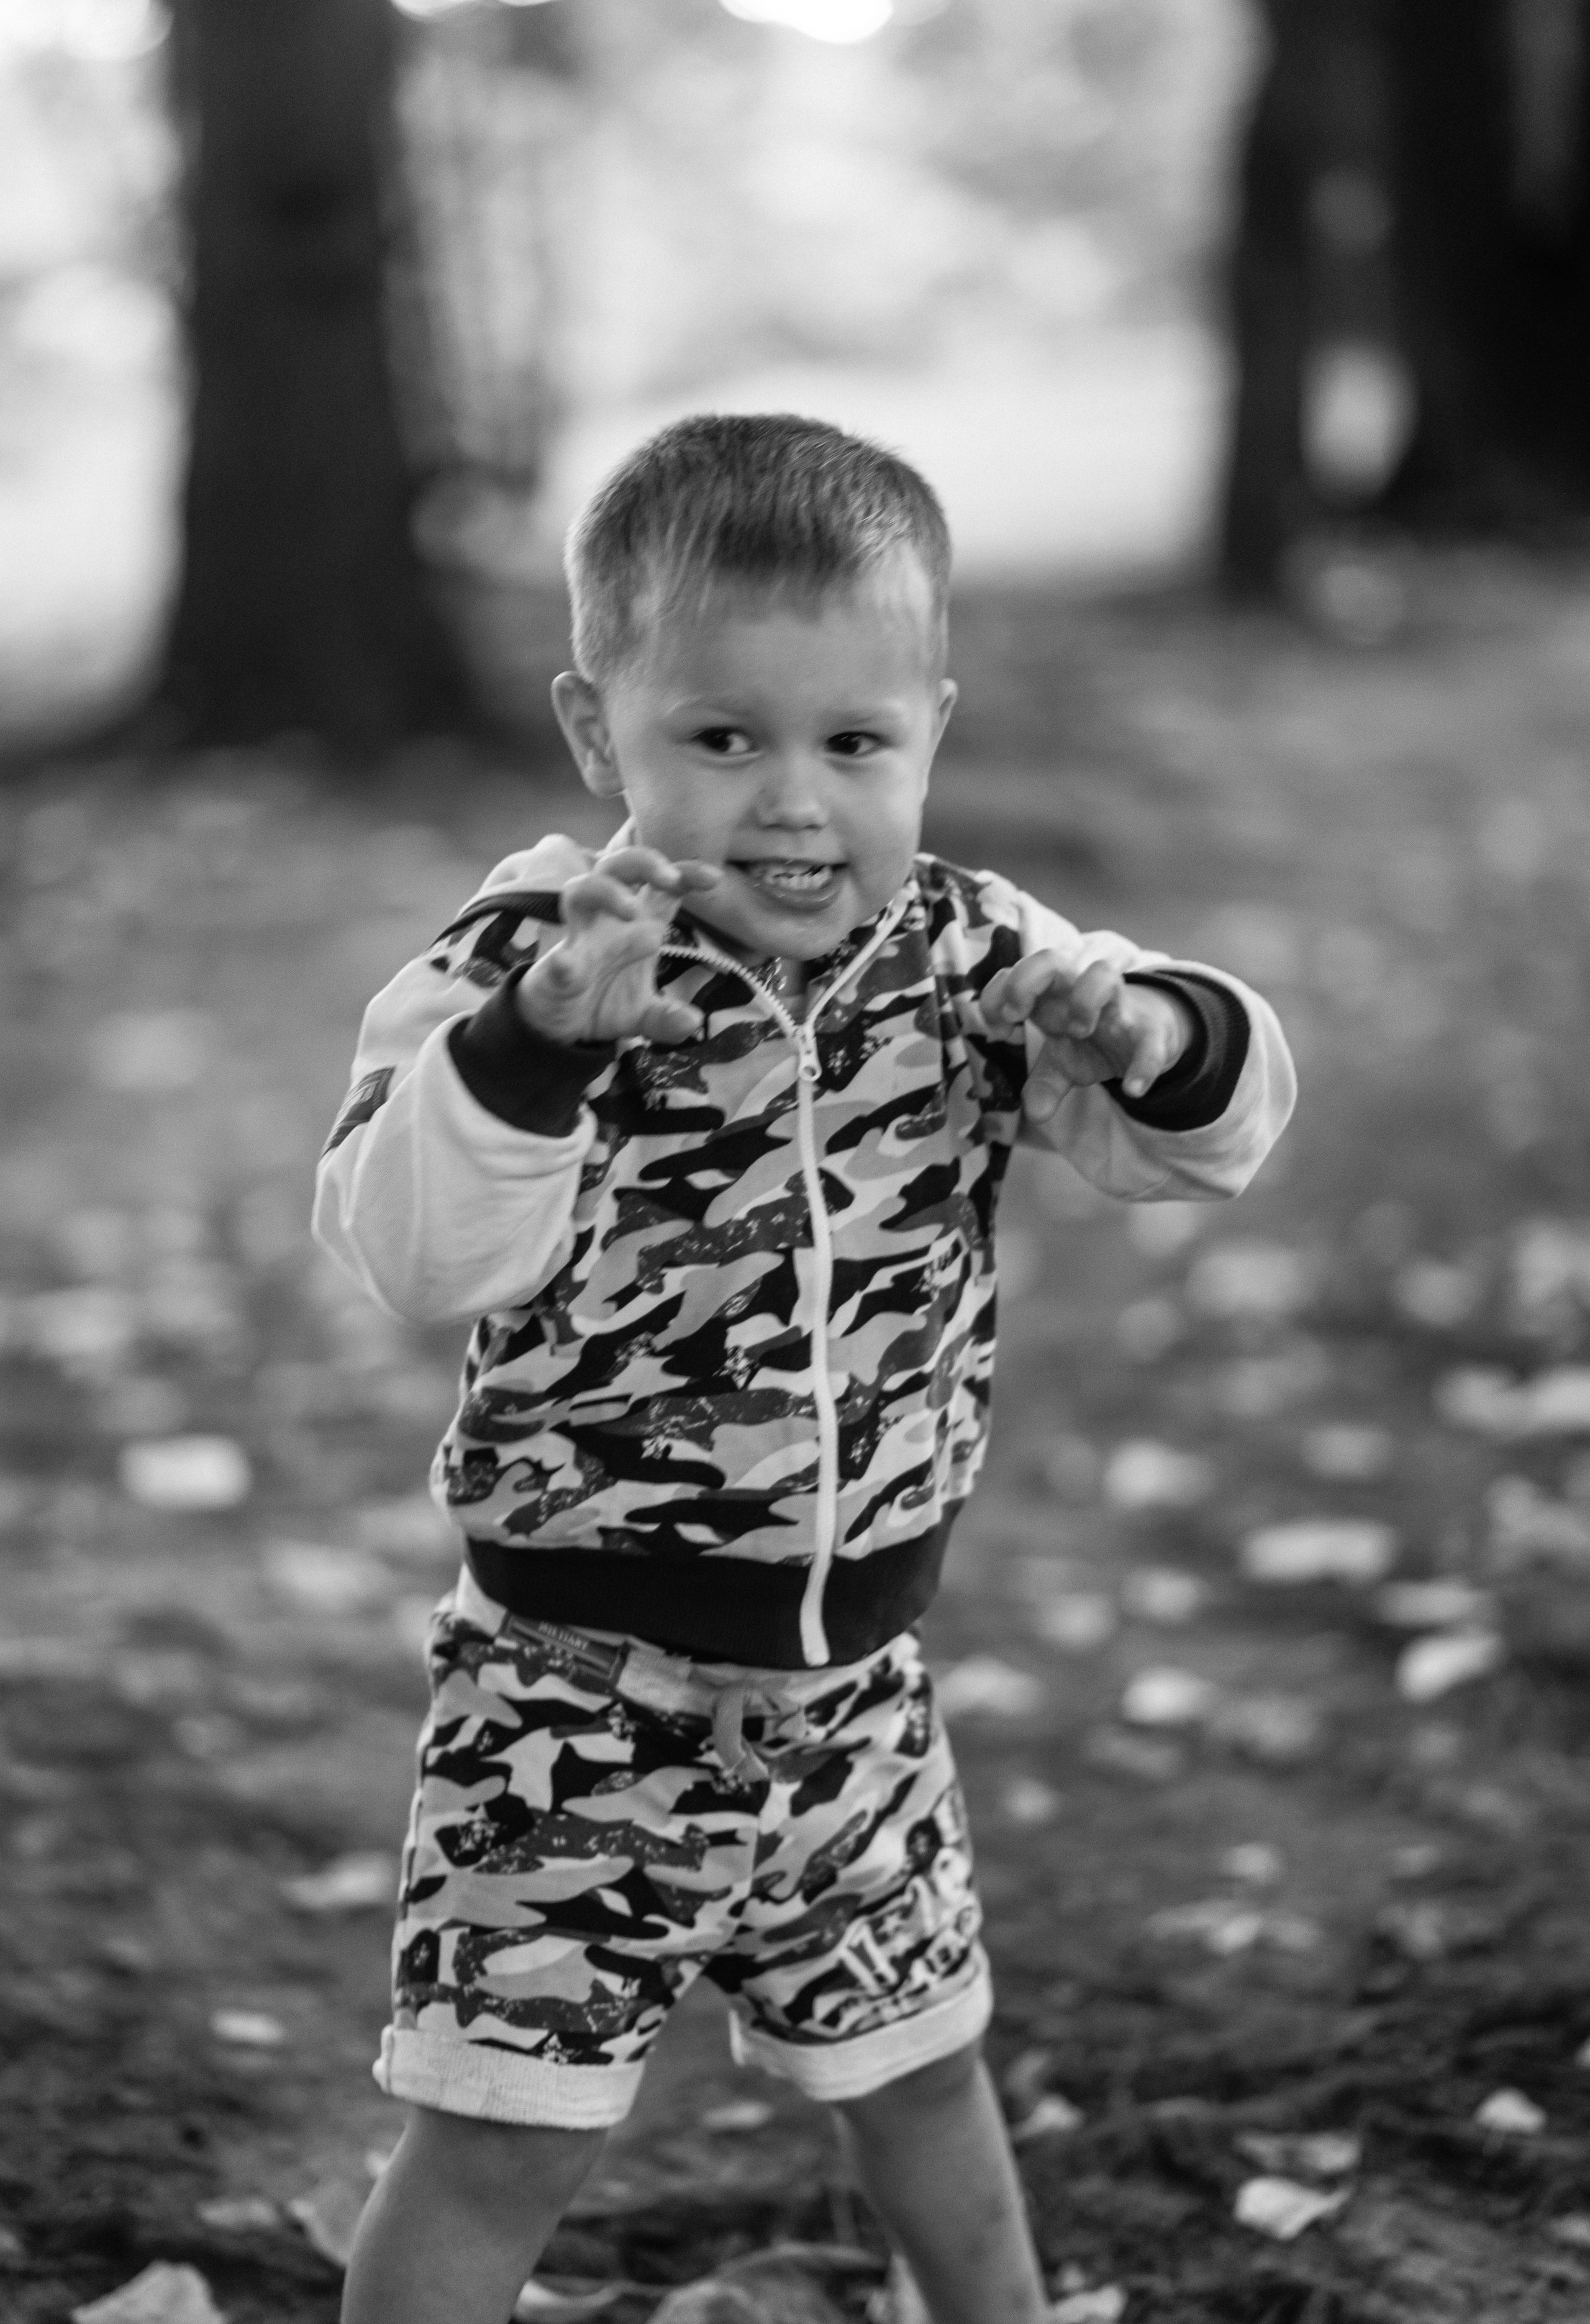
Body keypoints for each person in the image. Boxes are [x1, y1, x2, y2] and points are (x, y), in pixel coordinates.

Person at [314, 414, 1296, 2324]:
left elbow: (1217, 1130)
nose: (793, 801)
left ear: (931, 724)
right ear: (600, 731)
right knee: (504, 2122)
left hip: (858, 1697)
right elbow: (407, 1244)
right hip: (577, 1700)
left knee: (925, 2059)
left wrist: (1148, 1027)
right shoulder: (527, 965)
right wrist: (537, 1050)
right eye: (723, 737)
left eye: (855, 743)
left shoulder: (977, 958)